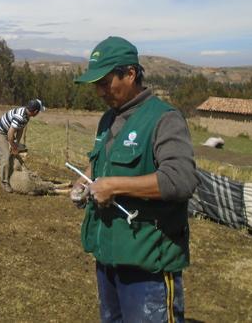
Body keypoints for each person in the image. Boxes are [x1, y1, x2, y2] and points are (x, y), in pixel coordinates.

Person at [71, 36, 198, 322]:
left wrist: (114, 186)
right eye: (96, 85)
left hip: (147, 264)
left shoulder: (164, 119)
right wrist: (85, 181)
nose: (99, 91)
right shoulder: (108, 119)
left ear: (130, 74)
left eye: (105, 83)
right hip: (108, 257)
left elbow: (181, 179)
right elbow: (102, 164)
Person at [0, 99, 45, 193]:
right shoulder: (20, 116)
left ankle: (7, 172)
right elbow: (10, 134)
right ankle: (4, 182)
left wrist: (16, 144)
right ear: (35, 112)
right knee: (6, 157)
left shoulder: (27, 116)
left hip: (9, 131)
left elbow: (20, 129)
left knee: (11, 153)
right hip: (1, 132)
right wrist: (13, 148)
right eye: (39, 112)